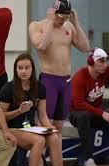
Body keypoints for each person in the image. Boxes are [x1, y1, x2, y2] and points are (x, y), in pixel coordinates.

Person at [0, 53, 74, 166]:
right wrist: (19, 111)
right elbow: (0, 117)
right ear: (15, 70)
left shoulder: (39, 87)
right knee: (39, 140)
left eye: (27, 67)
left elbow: (43, 115)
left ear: (32, 69)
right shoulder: (8, 88)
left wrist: (49, 127)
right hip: (12, 129)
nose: (23, 71)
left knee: (54, 137)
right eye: (20, 68)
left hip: (30, 127)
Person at [28, 0, 90, 153]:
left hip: (66, 81)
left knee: (59, 127)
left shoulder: (68, 26)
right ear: (53, 12)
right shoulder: (37, 25)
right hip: (49, 80)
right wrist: (50, 22)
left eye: (66, 17)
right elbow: (41, 45)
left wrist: (76, 23)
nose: (62, 20)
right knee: (45, 125)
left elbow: (85, 47)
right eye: (60, 16)